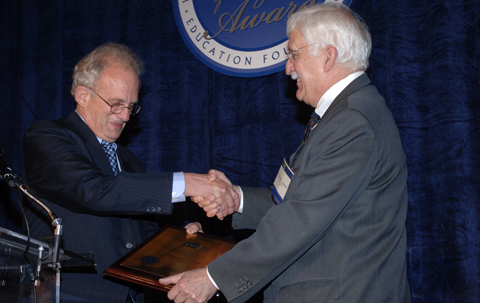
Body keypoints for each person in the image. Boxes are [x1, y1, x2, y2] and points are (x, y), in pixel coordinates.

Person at [160, 3, 411, 303]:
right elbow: (298, 200)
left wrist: (213, 277)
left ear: (328, 56)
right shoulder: (344, 114)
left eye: (294, 54)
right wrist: (236, 199)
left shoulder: (352, 121)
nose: (288, 68)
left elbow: (299, 220)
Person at [22, 43, 238, 302]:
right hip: (68, 293)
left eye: (131, 106)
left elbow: (139, 234)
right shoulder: (47, 137)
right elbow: (94, 190)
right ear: (82, 95)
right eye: (116, 104)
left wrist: (178, 241)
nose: (125, 116)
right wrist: (188, 182)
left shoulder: (129, 161)